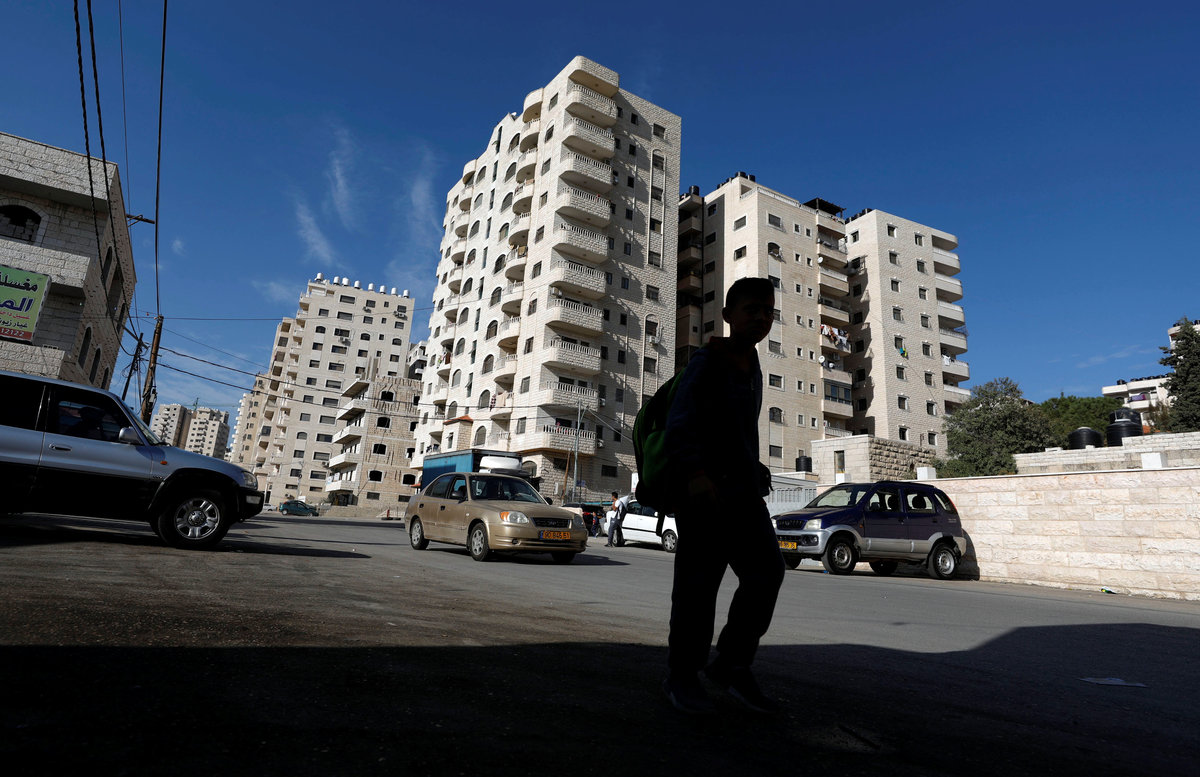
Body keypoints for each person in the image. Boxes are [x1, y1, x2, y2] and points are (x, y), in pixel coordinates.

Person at [661, 277, 785, 716]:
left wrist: (755, 468)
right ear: (729, 315)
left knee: (766, 572)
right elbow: (680, 422)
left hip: (743, 493)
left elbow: (738, 432)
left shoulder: (753, 365)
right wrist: (695, 474)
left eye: (768, 311)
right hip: (704, 495)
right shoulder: (707, 360)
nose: (762, 317)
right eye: (752, 309)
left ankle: (730, 664)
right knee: (698, 587)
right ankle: (682, 675)